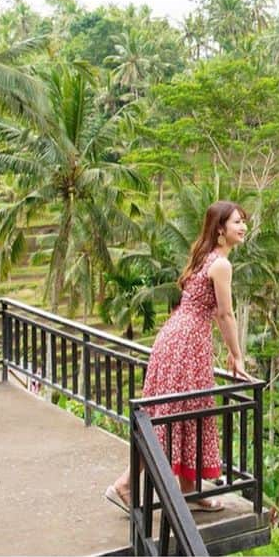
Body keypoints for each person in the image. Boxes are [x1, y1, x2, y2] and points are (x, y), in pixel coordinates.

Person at [105, 200, 258, 514]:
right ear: (220, 229)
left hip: (177, 338)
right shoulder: (221, 264)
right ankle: (124, 484)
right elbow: (226, 315)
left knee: (182, 412)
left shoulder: (205, 257)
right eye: (236, 222)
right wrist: (237, 355)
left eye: (243, 221)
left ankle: (190, 489)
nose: (242, 227)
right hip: (187, 343)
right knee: (176, 414)